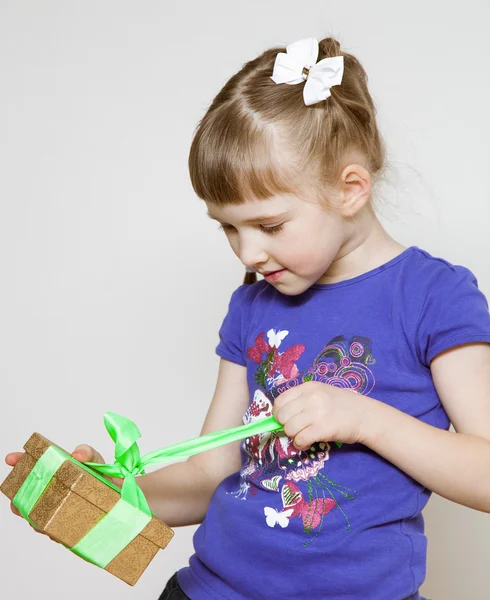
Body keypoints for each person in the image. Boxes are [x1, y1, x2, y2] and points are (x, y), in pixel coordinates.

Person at [6, 35, 490, 600]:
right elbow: (208, 478)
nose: (248, 253)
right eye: (229, 228)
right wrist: (110, 497)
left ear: (350, 189)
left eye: (270, 225)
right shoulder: (252, 306)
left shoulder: (434, 295)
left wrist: (364, 419)